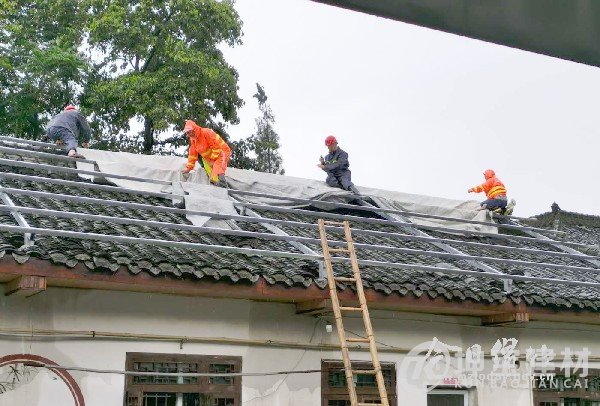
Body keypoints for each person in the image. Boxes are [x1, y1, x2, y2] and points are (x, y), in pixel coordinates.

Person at [182, 119, 231, 187]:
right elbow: (192, 154)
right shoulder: (193, 139)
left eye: (188, 132)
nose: (187, 135)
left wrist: (213, 159)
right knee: (213, 176)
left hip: (222, 151)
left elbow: (216, 146)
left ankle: (224, 186)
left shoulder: (206, 132)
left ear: (194, 130)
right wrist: (189, 168)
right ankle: (219, 187)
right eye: (186, 133)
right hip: (212, 155)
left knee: (218, 168)